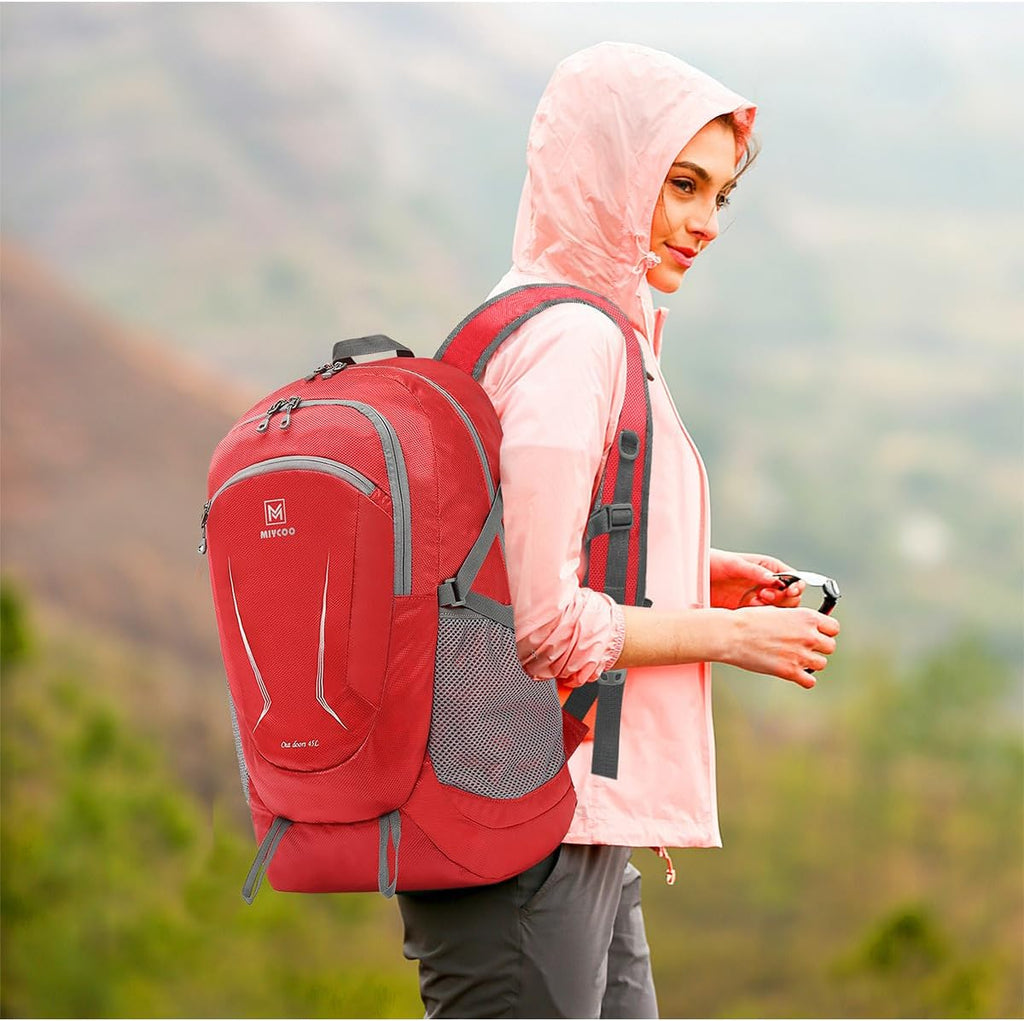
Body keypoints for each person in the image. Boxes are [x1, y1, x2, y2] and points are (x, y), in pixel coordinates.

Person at [398, 41, 841, 1019]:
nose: (706, 222)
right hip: (518, 828)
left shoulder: (551, 317)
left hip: (567, 814)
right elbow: (543, 624)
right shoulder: (572, 342)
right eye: (681, 184)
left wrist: (692, 571)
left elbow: (513, 549)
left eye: (720, 194)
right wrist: (730, 635)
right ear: (606, 170)